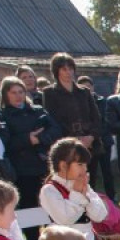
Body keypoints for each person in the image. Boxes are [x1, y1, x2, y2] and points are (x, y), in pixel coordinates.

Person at [39, 138, 111, 240]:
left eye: (85, 165)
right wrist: (78, 195)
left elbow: (100, 215)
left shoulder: (84, 185)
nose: (84, 169)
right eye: (80, 164)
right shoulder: (50, 190)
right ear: (63, 165)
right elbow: (65, 218)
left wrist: (86, 195)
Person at [0, 76, 61, 228]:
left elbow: (56, 130)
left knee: (49, 203)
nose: (18, 96)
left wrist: (40, 138)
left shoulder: (37, 110)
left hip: (43, 164)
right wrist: (27, 139)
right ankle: (33, 239)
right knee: (28, 206)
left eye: (21, 92)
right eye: (13, 92)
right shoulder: (3, 115)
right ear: (6, 95)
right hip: (22, 169)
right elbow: (6, 142)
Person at [42, 53, 105, 195]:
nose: (68, 72)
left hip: (90, 144)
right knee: (70, 184)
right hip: (67, 146)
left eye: (70, 68)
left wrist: (91, 137)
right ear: (56, 71)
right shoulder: (50, 93)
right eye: (64, 69)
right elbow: (53, 121)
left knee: (90, 181)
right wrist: (75, 142)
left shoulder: (84, 92)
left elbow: (96, 118)